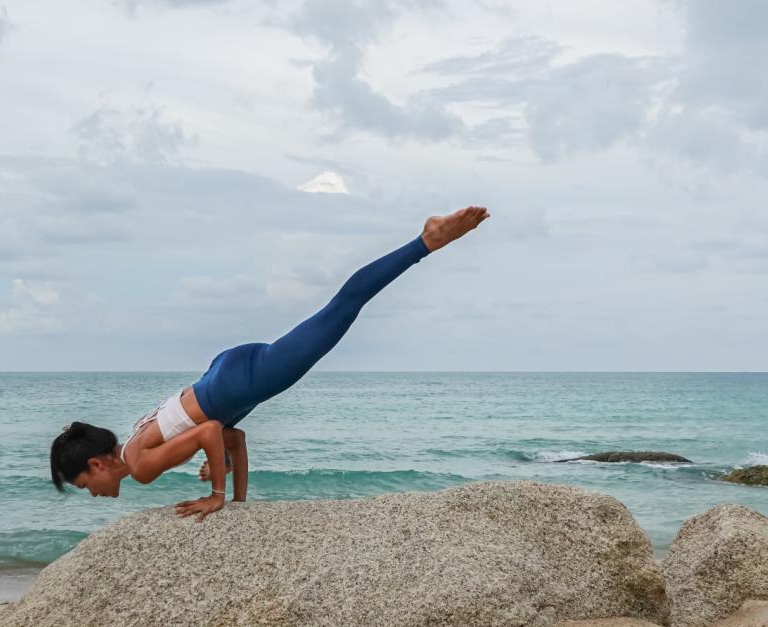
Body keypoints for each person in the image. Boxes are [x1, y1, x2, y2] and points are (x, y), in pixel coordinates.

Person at [49, 206, 490, 521]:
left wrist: (215, 496)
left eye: (86, 487)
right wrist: (237, 500)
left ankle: (425, 240)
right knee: (335, 315)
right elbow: (229, 435)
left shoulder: (141, 467)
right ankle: (423, 242)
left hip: (234, 387)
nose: (95, 494)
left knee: (340, 310)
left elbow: (206, 431)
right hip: (225, 380)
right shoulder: (132, 444)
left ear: (96, 466)